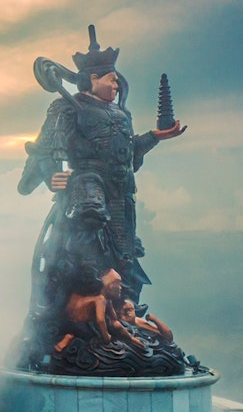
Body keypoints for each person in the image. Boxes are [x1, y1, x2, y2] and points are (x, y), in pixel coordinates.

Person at [18, 26, 186, 371]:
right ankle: (88, 294)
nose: (115, 85)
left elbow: (126, 154)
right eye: (110, 79)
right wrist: (52, 173)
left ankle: (121, 314)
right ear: (92, 78)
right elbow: (46, 146)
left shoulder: (121, 115)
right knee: (89, 222)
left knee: (125, 253)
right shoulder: (67, 108)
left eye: (116, 81)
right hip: (87, 182)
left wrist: (154, 136)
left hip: (122, 193)